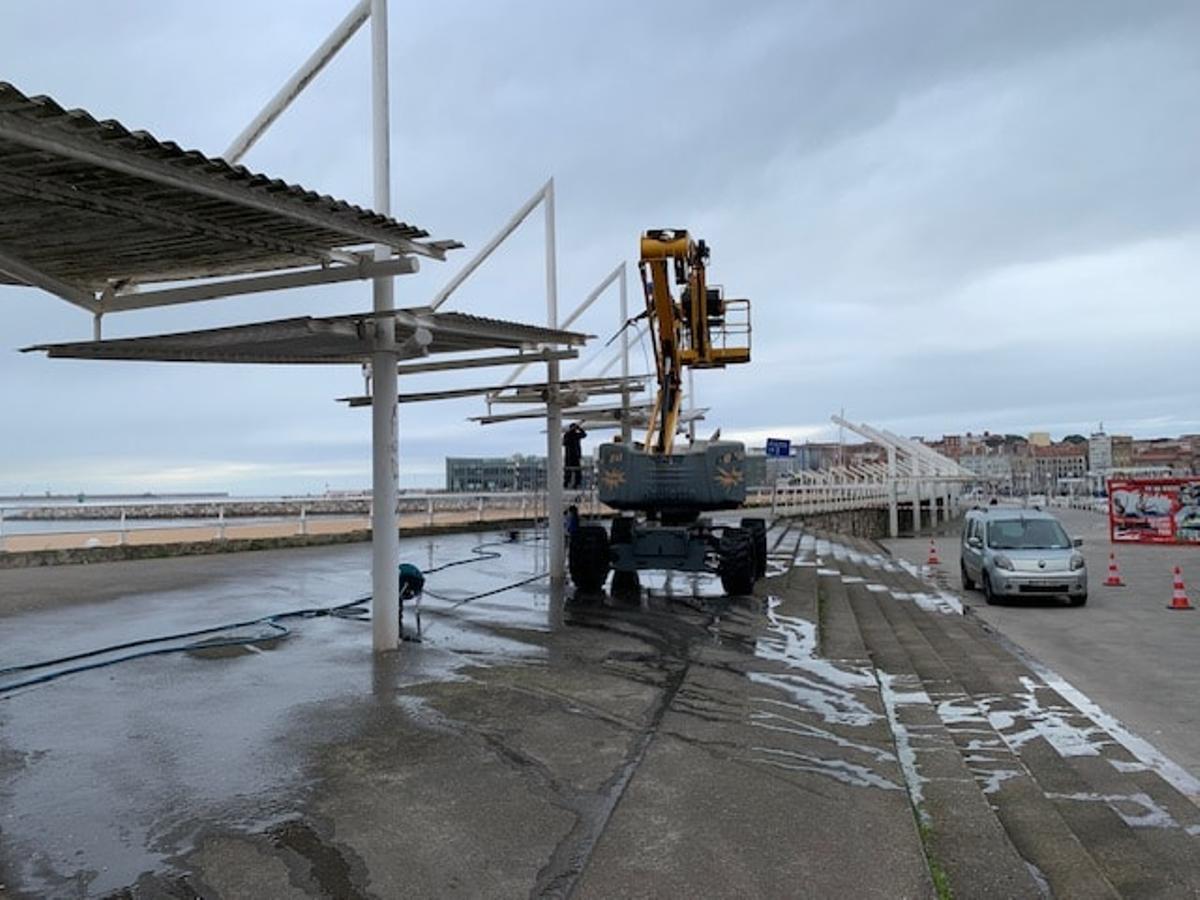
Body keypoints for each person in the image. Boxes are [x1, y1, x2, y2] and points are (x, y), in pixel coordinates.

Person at [563, 422, 587, 489]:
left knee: (577, 472)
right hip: (570, 455)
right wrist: (579, 429)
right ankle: (567, 483)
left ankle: (575, 484)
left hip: (574, 455)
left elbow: (584, 435)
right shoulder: (568, 435)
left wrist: (579, 428)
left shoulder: (575, 435)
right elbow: (564, 443)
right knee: (569, 471)